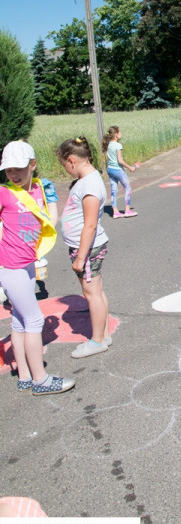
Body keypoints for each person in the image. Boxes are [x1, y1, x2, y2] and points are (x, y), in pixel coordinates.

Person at [0, 141, 75, 395]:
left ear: (33, 165)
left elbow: (51, 220)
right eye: (9, 170)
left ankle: (23, 374)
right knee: (34, 320)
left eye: (19, 168)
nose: (13, 174)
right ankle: (40, 380)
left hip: (28, 263)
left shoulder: (41, 189)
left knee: (21, 320)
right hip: (11, 267)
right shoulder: (4, 192)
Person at [57, 136, 111, 359]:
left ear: (71, 160)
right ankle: (104, 334)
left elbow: (89, 224)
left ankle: (97, 340)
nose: (66, 171)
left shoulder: (89, 185)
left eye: (64, 166)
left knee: (91, 294)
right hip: (86, 248)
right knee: (96, 291)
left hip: (87, 249)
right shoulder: (88, 179)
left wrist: (80, 258)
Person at [101, 125, 138, 219]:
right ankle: (127, 210)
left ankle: (115, 212)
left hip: (110, 170)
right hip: (118, 170)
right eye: (120, 132)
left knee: (114, 190)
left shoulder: (109, 145)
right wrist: (130, 167)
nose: (121, 134)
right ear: (116, 135)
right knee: (128, 188)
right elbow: (120, 161)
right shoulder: (118, 145)